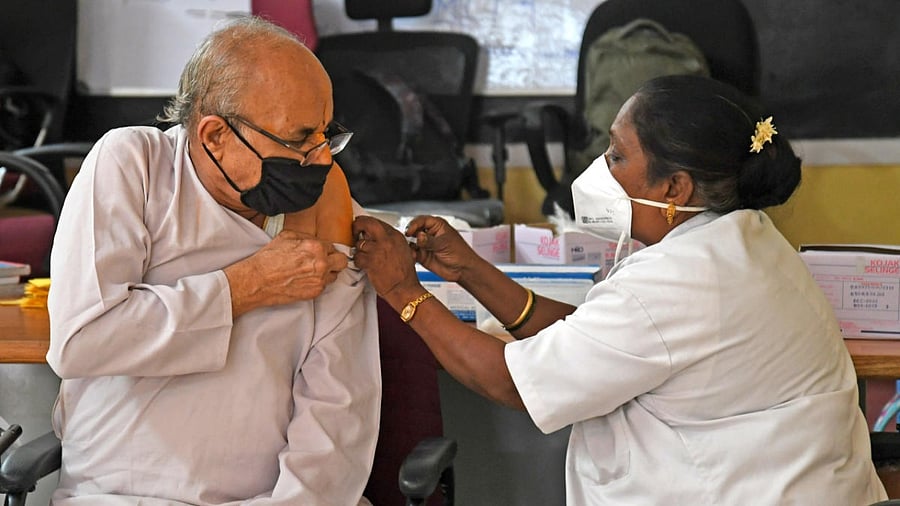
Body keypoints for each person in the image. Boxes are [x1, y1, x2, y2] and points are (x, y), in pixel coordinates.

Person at [352, 74, 888, 504]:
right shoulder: (745, 240)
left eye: (617, 156)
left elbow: (513, 384)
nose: (600, 171)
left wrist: (401, 289)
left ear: (674, 188)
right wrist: (468, 270)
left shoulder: (680, 279)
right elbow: (590, 338)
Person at [46, 16, 381, 505]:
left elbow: (337, 409)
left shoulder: (323, 209)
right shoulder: (134, 166)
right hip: (116, 494)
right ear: (214, 136)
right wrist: (245, 286)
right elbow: (82, 341)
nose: (323, 159)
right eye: (298, 140)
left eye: (327, 136)